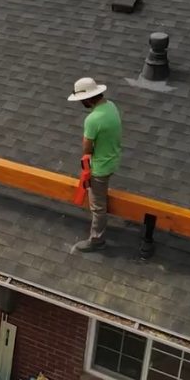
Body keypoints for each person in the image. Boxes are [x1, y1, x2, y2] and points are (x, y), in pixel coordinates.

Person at [67, 77, 122, 252]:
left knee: (97, 206)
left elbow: (87, 148)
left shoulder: (92, 120)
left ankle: (97, 240)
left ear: (88, 98)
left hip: (100, 167)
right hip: (112, 159)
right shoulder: (111, 106)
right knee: (101, 198)